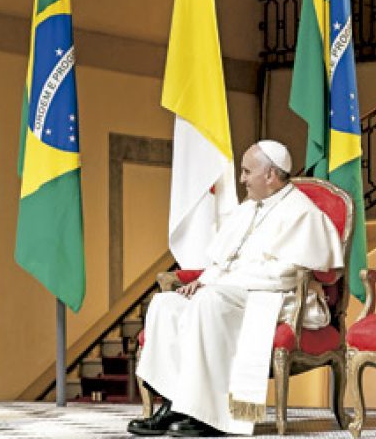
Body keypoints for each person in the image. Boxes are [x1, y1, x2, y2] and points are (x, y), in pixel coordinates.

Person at [128, 140, 344, 437]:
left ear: (270, 175)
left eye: (246, 172)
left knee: (210, 302)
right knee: (165, 304)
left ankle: (211, 416)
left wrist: (217, 285)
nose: (241, 179)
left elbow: (284, 275)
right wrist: (203, 280)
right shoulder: (248, 210)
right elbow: (224, 259)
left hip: (276, 299)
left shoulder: (302, 213)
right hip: (232, 292)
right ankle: (176, 403)